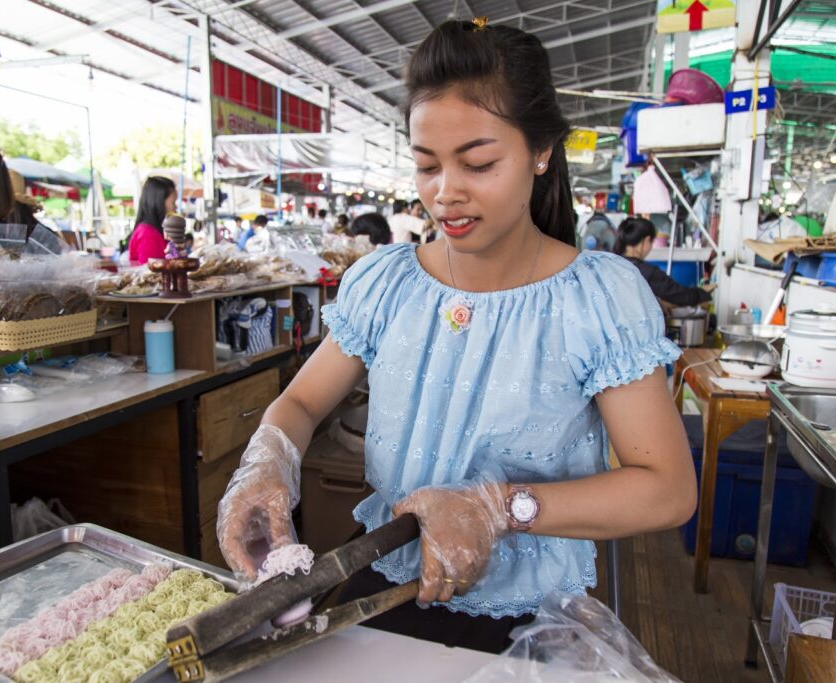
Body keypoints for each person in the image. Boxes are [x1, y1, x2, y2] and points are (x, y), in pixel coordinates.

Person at [216, 20, 696, 654]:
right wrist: (267, 460)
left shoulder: (598, 299)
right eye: (425, 165)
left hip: (532, 620)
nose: (446, 193)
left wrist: (498, 507)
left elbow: (665, 488)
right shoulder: (387, 283)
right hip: (389, 588)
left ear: (541, 150)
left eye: (479, 163)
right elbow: (303, 404)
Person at [614, 217, 715, 308]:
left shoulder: (612, 265)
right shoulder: (647, 272)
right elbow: (681, 296)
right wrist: (702, 292)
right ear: (646, 241)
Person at [126, 176, 177, 265]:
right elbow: (150, 275)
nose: (176, 208)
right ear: (159, 203)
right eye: (173, 203)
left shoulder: (153, 231)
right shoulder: (148, 235)